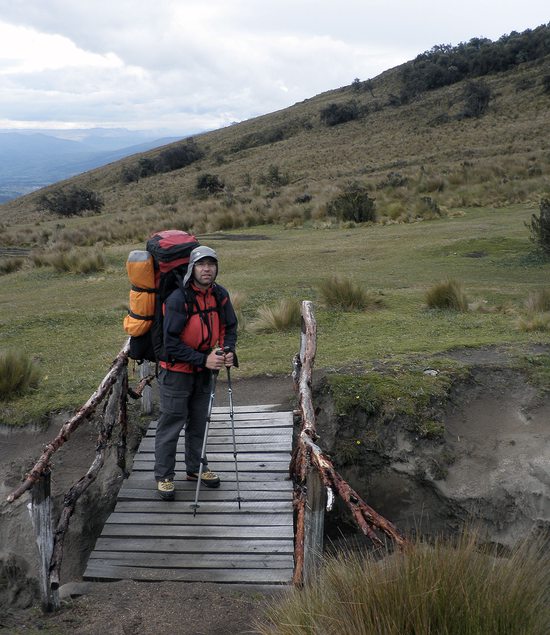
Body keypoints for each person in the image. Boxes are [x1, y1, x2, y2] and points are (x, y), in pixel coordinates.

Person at [154, 246, 238, 500]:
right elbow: (171, 343)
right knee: (172, 424)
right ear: (192, 267)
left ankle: (195, 468)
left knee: (199, 422)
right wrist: (204, 359)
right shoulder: (178, 299)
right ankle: (164, 477)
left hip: (203, 371)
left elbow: (229, 326)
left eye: (211, 264)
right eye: (202, 264)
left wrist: (228, 350)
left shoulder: (219, 295)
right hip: (176, 372)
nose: (207, 269)